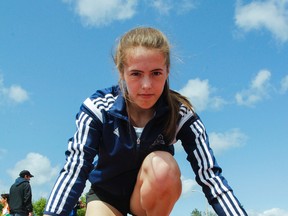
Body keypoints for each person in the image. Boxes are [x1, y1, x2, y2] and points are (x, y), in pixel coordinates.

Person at [44, 27, 247, 216]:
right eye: (136, 74)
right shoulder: (99, 107)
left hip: (148, 198)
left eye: (156, 73)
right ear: (121, 71)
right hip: (107, 197)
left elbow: (210, 176)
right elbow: (75, 167)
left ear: (167, 71)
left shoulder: (180, 114)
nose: (147, 85)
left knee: (163, 168)